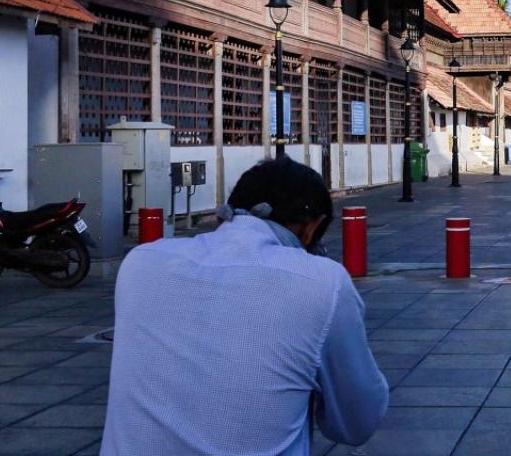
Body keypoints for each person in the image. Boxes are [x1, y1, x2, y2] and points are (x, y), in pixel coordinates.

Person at [101, 157, 388, 455]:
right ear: (311, 229)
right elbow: (356, 423)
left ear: (223, 215)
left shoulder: (141, 263)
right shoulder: (323, 283)